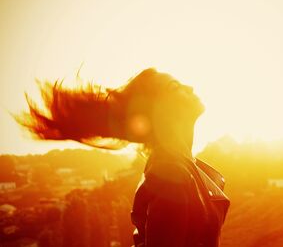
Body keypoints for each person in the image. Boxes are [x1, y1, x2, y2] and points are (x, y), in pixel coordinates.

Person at [14, 68, 230, 247]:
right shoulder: (171, 175)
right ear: (162, 111)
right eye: (175, 87)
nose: (189, 87)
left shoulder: (183, 166)